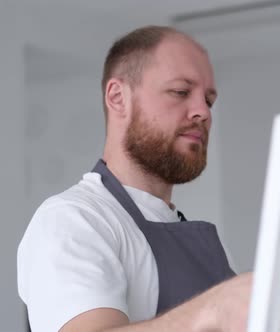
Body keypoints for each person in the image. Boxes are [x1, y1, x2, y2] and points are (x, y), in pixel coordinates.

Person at [17, 25, 252, 332]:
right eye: (180, 92)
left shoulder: (210, 248)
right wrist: (213, 310)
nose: (203, 112)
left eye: (208, 100)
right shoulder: (73, 221)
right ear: (118, 98)